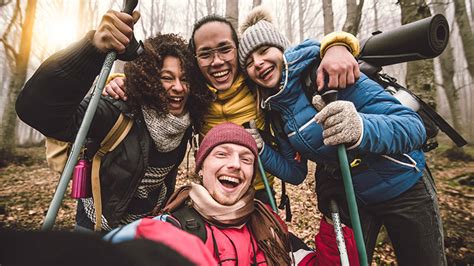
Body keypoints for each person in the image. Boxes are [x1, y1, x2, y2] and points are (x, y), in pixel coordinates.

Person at [238, 7, 446, 265]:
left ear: (281, 49)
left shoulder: (327, 73)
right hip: (354, 201)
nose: (257, 62)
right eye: (248, 61)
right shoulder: (276, 112)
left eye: (263, 51)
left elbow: (412, 126)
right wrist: (261, 150)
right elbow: (295, 172)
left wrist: (360, 127)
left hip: (404, 187)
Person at [104, 12, 361, 204]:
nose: (217, 62)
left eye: (225, 49)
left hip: (259, 194)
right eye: (205, 54)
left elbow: (292, 61)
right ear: (195, 60)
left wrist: (336, 46)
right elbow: (156, 90)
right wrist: (118, 81)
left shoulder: (262, 88)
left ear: (238, 51)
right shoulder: (194, 95)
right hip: (212, 194)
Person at [15, 10, 212, 231]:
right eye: (167, 77)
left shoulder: (184, 121)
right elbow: (37, 110)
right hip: (98, 226)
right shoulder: (117, 110)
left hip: (148, 226)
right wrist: (91, 50)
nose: (178, 87)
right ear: (149, 79)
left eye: (184, 79)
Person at [104, 122, 359, 265]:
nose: (235, 164)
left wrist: (330, 220)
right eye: (222, 154)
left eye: (246, 158)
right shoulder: (168, 227)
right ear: (201, 167)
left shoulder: (271, 226)